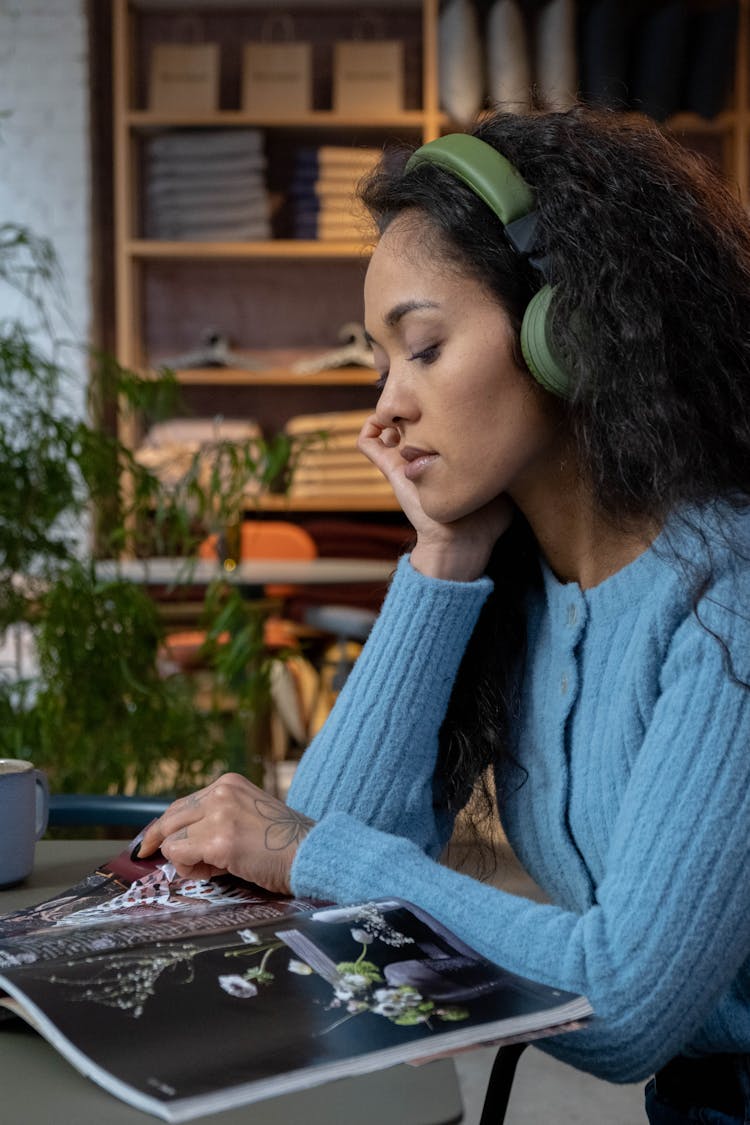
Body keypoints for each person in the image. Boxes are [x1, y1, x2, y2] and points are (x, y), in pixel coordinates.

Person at [139, 106, 750, 1123]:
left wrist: (303, 848)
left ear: (571, 331)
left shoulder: (726, 593)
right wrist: (443, 556)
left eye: (422, 347)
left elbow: (626, 1002)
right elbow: (317, 891)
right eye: (380, 362)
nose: (382, 409)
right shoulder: (533, 579)